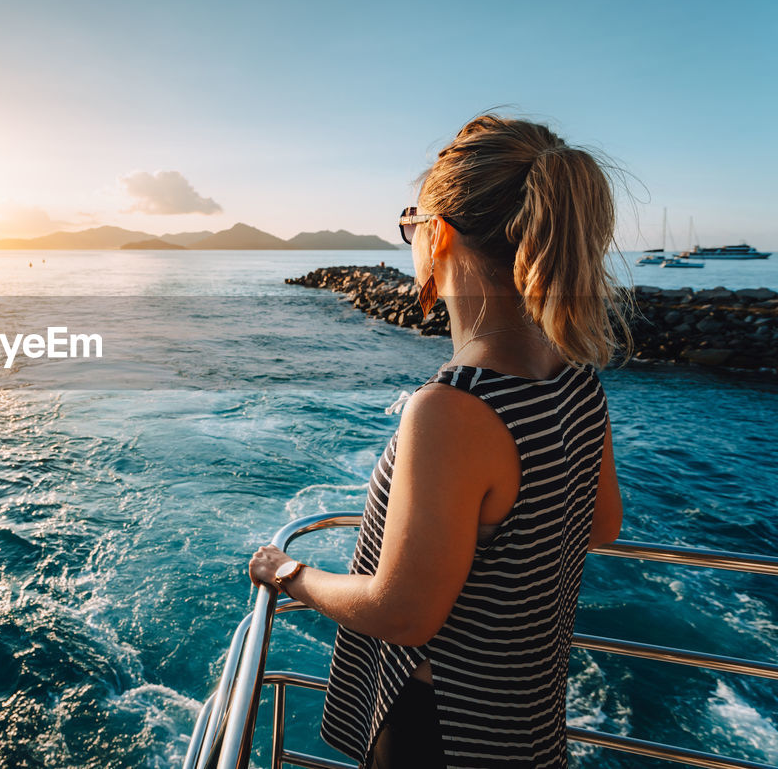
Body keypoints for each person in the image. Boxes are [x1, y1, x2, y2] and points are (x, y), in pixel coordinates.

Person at [249, 115, 628, 768]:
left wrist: (289, 573)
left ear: (441, 233)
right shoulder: (576, 379)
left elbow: (404, 614)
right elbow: (602, 523)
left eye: (411, 224)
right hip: (528, 726)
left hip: (442, 737)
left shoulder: (456, 406)